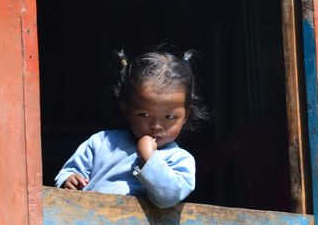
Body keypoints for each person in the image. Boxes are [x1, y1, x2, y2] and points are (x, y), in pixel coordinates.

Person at [55, 49, 209, 209]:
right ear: (126, 110)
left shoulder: (179, 159)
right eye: (144, 114)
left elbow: (169, 197)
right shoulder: (102, 142)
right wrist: (69, 179)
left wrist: (149, 159)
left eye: (170, 117)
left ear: (185, 116)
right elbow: (71, 170)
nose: (156, 126)